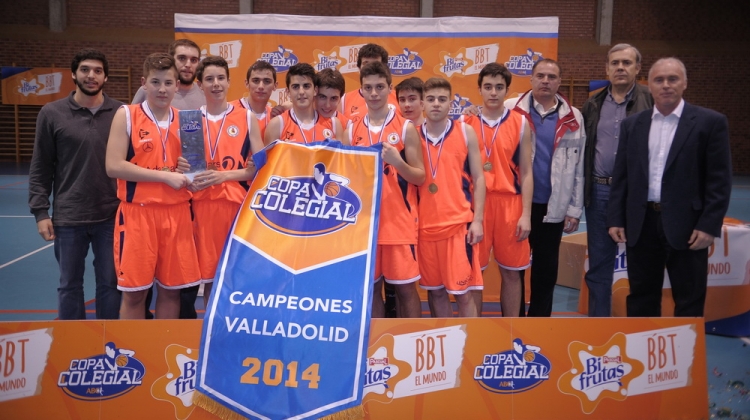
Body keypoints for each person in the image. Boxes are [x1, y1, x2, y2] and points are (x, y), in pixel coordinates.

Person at [607, 57, 732, 317]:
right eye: (659, 80)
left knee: (689, 299)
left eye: (672, 79)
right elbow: (622, 176)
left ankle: (687, 346)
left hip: (689, 226)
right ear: (649, 85)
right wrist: (616, 218)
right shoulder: (633, 125)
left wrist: (708, 225)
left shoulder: (710, 123)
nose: (666, 85)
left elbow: (719, 181)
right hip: (641, 224)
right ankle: (642, 344)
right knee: (641, 297)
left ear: (684, 83)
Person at [28, 49, 123, 320]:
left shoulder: (121, 113)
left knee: (110, 284)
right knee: (69, 285)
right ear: (73, 74)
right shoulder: (51, 113)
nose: (91, 75)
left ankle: (107, 338)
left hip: (111, 215)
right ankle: (73, 340)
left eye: (97, 71)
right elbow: (41, 166)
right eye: (85, 70)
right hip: (69, 216)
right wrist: (40, 212)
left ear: (106, 77)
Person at [105, 53, 201, 319]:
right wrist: (165, 177)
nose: (162, 89)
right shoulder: (126, 114)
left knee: (171, 291)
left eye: (168, 83)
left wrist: (191, 175)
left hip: (177, 215)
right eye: (156, 82)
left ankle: (163, 346)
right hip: (138, 215)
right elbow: (112, 165)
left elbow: (195, 175)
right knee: (134, 293)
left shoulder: (189, 120)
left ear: (177, 85)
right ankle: (131, 345)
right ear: (143, 83)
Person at [506, 58, 585, 317]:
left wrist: (574, 209)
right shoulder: (510, 109)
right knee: (513, 270)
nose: (545, 81)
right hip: (517, 206)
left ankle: (539, 323)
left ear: (559, 82)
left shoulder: (574, 117)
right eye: (540, 76)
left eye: (551, 77)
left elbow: (579, 166)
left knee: (546, 271)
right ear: (531, 79)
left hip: (553, 207)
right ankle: (515, 322)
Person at [346, 62, 425, 318]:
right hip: (364, 225)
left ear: (390, 88)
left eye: (380, 87)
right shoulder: (352, 128)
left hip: (398, 223)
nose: (374, 93)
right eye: (368, 88)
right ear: (361, 90)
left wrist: (398, 162)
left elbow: (420, 176)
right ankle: (376, 341)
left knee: (405, 289)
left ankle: (412, 339)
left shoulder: (405, 127)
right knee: (371, 290)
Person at [581, 44, 653, 317]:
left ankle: (639, 327)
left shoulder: (652, 101)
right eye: (615, 63)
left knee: (642, 264)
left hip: (638, 195)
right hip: (600, 192)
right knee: (599, 266)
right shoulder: (593, 104)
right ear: (607, 69)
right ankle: (599, 325)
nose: (620, 67)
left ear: (637, 68)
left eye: (626, 62)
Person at [188, 56, 264, 307]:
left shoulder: (247, 118)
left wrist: (225, 175)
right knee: (210, 279)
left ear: (229, 82)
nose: (216, 84)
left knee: (237, 277)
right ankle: (212, 326)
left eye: (221, 78)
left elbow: (261, 169)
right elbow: (186, 170)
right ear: (200, 84)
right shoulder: (189, 120)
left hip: (236, 208)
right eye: (209, 79)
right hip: (201, 208)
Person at [462, 63, 533, 317]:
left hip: (510, 205)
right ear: (479, 89)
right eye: (488, 87)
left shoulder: (520, 123)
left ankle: (511, 330)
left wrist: (526, 214)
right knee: (474, 275)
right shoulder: (465, 122)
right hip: (475, 206)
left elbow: (526, 172)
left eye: (499, 87)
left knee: (512, 273)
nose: (493, 92)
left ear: (507, 91)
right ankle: (474, 331)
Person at [417, 77, 485, 317]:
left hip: (458, 227)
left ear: (451, 103)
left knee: (463, 294)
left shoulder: (465, 132)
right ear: (423, 103)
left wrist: (478, 220)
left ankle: (471, 340)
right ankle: (446, 339)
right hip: (424, 229)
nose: (436, 104)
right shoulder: (412, 135)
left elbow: (479, 178)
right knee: (436, 293)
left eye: (442, 99)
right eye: (431, 99)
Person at [264, 63, 344, 145]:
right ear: (288, 92)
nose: (301, 92)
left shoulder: (334, 124)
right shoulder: (276, 125)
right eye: (296, 87)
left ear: (315, 90)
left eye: (306, 86)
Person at [132, 39, 205, 110]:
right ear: (171, 60)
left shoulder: (205, 93)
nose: (188, 65)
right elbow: (132, 115)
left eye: (193, 60)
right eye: (182, 58)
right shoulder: (148, 90)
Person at [339, 43, 399, 125]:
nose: (370, 67)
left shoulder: (399, 98)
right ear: (359, 67)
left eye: (376, 64)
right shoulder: (344, 100)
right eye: (366, 64)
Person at [230, 60, 278, 139]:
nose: (261, 86)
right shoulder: (230, 110)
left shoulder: (276, 117)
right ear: (247, 83)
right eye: (256, 81)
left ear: (275, 86)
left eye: (267, 81)